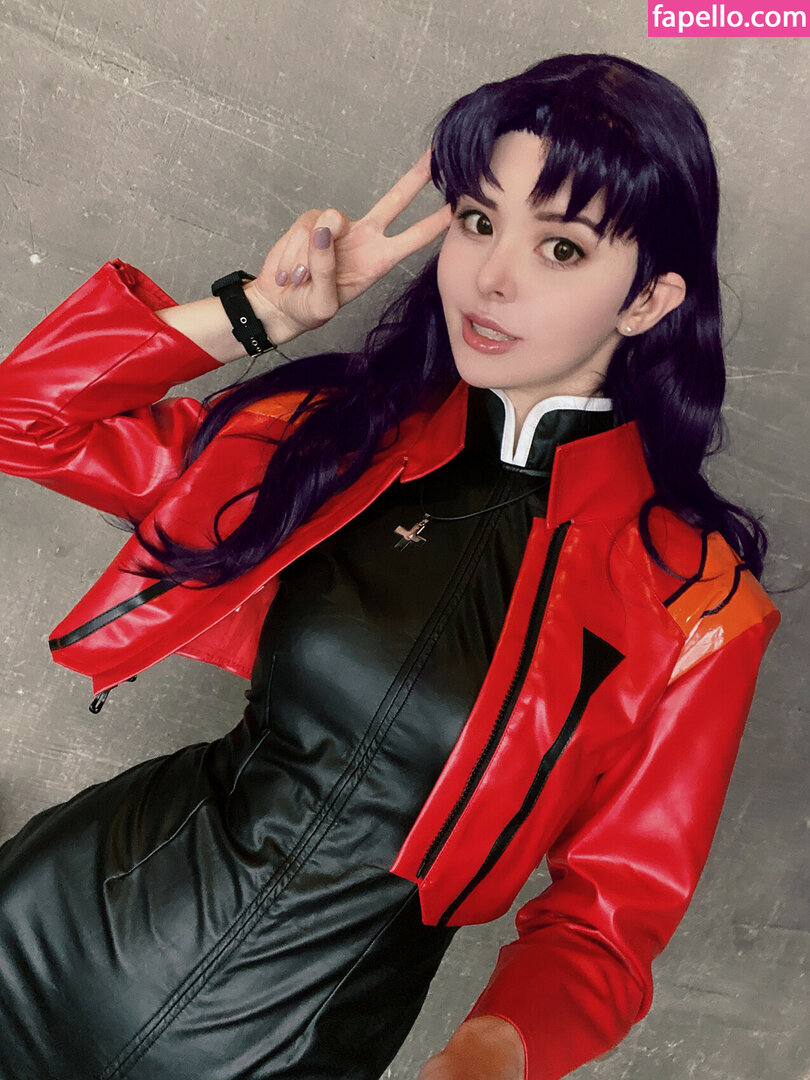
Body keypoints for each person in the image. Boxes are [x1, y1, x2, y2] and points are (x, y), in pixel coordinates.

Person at [0, 52, 780, 1080]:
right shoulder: (335, 443)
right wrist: (261, 315)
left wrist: (486, 1057)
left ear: (648, 300)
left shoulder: (697, 605)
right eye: (479, 222)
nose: (492, 278)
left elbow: (607, 924)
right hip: (44, 937)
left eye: (561, 247)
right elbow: (24, 417)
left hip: (291, 1055)